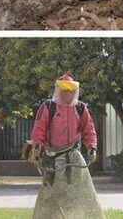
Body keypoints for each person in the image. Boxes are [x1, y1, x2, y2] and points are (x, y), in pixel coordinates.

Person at [30, 74, 104, 219]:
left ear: (74, 92)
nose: (67, 94)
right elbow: (39, 130)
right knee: (51, 196)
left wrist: (92, 147)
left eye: (70, 91)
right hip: (52, 158)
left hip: (73, 156)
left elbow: (89, 130)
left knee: (80, 192)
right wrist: (37, 149)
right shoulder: (48, 107)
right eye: (64, 90)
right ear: (58, 90)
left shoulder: (80, 108)